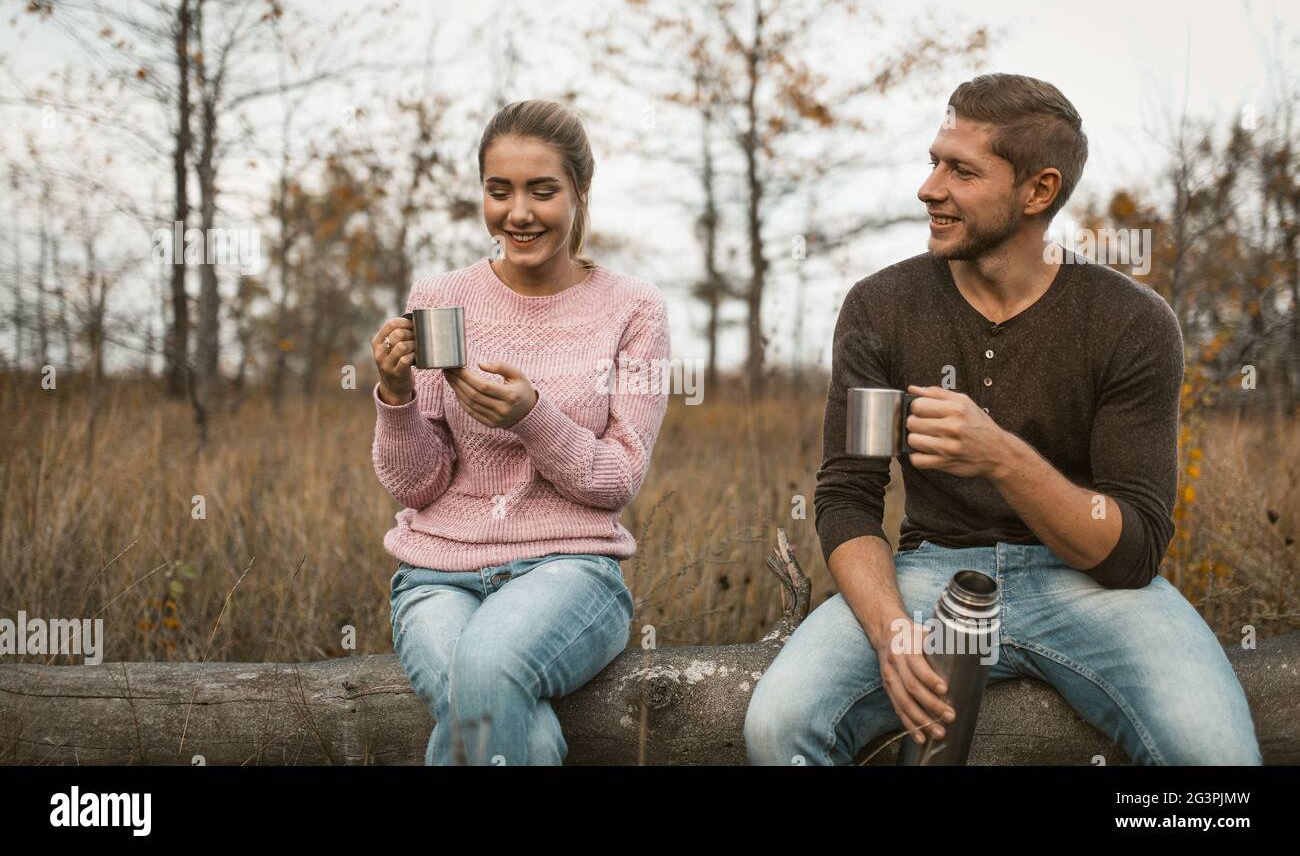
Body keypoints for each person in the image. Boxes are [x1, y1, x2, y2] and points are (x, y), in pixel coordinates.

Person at [744, 73, 1262, 766]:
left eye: (961, 170)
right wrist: (893, 629)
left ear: (1038, 192)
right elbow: (847, 498)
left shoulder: (1131, 321)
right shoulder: (881, 308)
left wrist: (1001, 456)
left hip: (1090, 586)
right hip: (928, 576)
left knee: (1217, 762)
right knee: (778, 726)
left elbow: (1134, 547)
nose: (929, 188)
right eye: (933, 162)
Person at [372, 99, 670, 765]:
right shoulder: (438, 298)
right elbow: (418, 485)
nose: (518, 213)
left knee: (483, 666)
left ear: (580, 193)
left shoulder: (635, 309)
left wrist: (531, 419)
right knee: (511, 719)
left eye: (543, 191)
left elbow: (618, 478)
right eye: (498, 190)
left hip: (573, 570)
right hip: (436, 577)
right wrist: (394, 396)